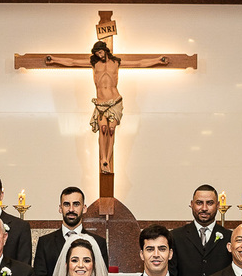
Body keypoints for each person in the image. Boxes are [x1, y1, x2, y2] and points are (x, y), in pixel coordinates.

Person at [46, 40, 169, 175]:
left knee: (111, 130)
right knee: (103, 129)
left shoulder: (116, 63)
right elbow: (72, 62)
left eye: (100, 52)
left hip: (115, 101)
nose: (99, 55)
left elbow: (139, 63)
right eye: (97, 53)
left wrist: (158, 60)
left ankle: (107, 160)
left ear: (105, 50)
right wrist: (54, 60)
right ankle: (103, 158)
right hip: (100, 103)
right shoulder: (94, 63)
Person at [33, 186, 108, 276]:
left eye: (76, 204)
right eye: (66, 204)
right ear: (60, 208)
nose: (71, 209)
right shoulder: (45, 242)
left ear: (84, 208)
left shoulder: (98, 243)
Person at [170, 184, 231, 276]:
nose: (204, 208)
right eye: (199, 203)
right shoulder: (175, 236)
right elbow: (171, 274)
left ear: (218, 205)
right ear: (192, 204)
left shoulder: (229, 237)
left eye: (210, 203)